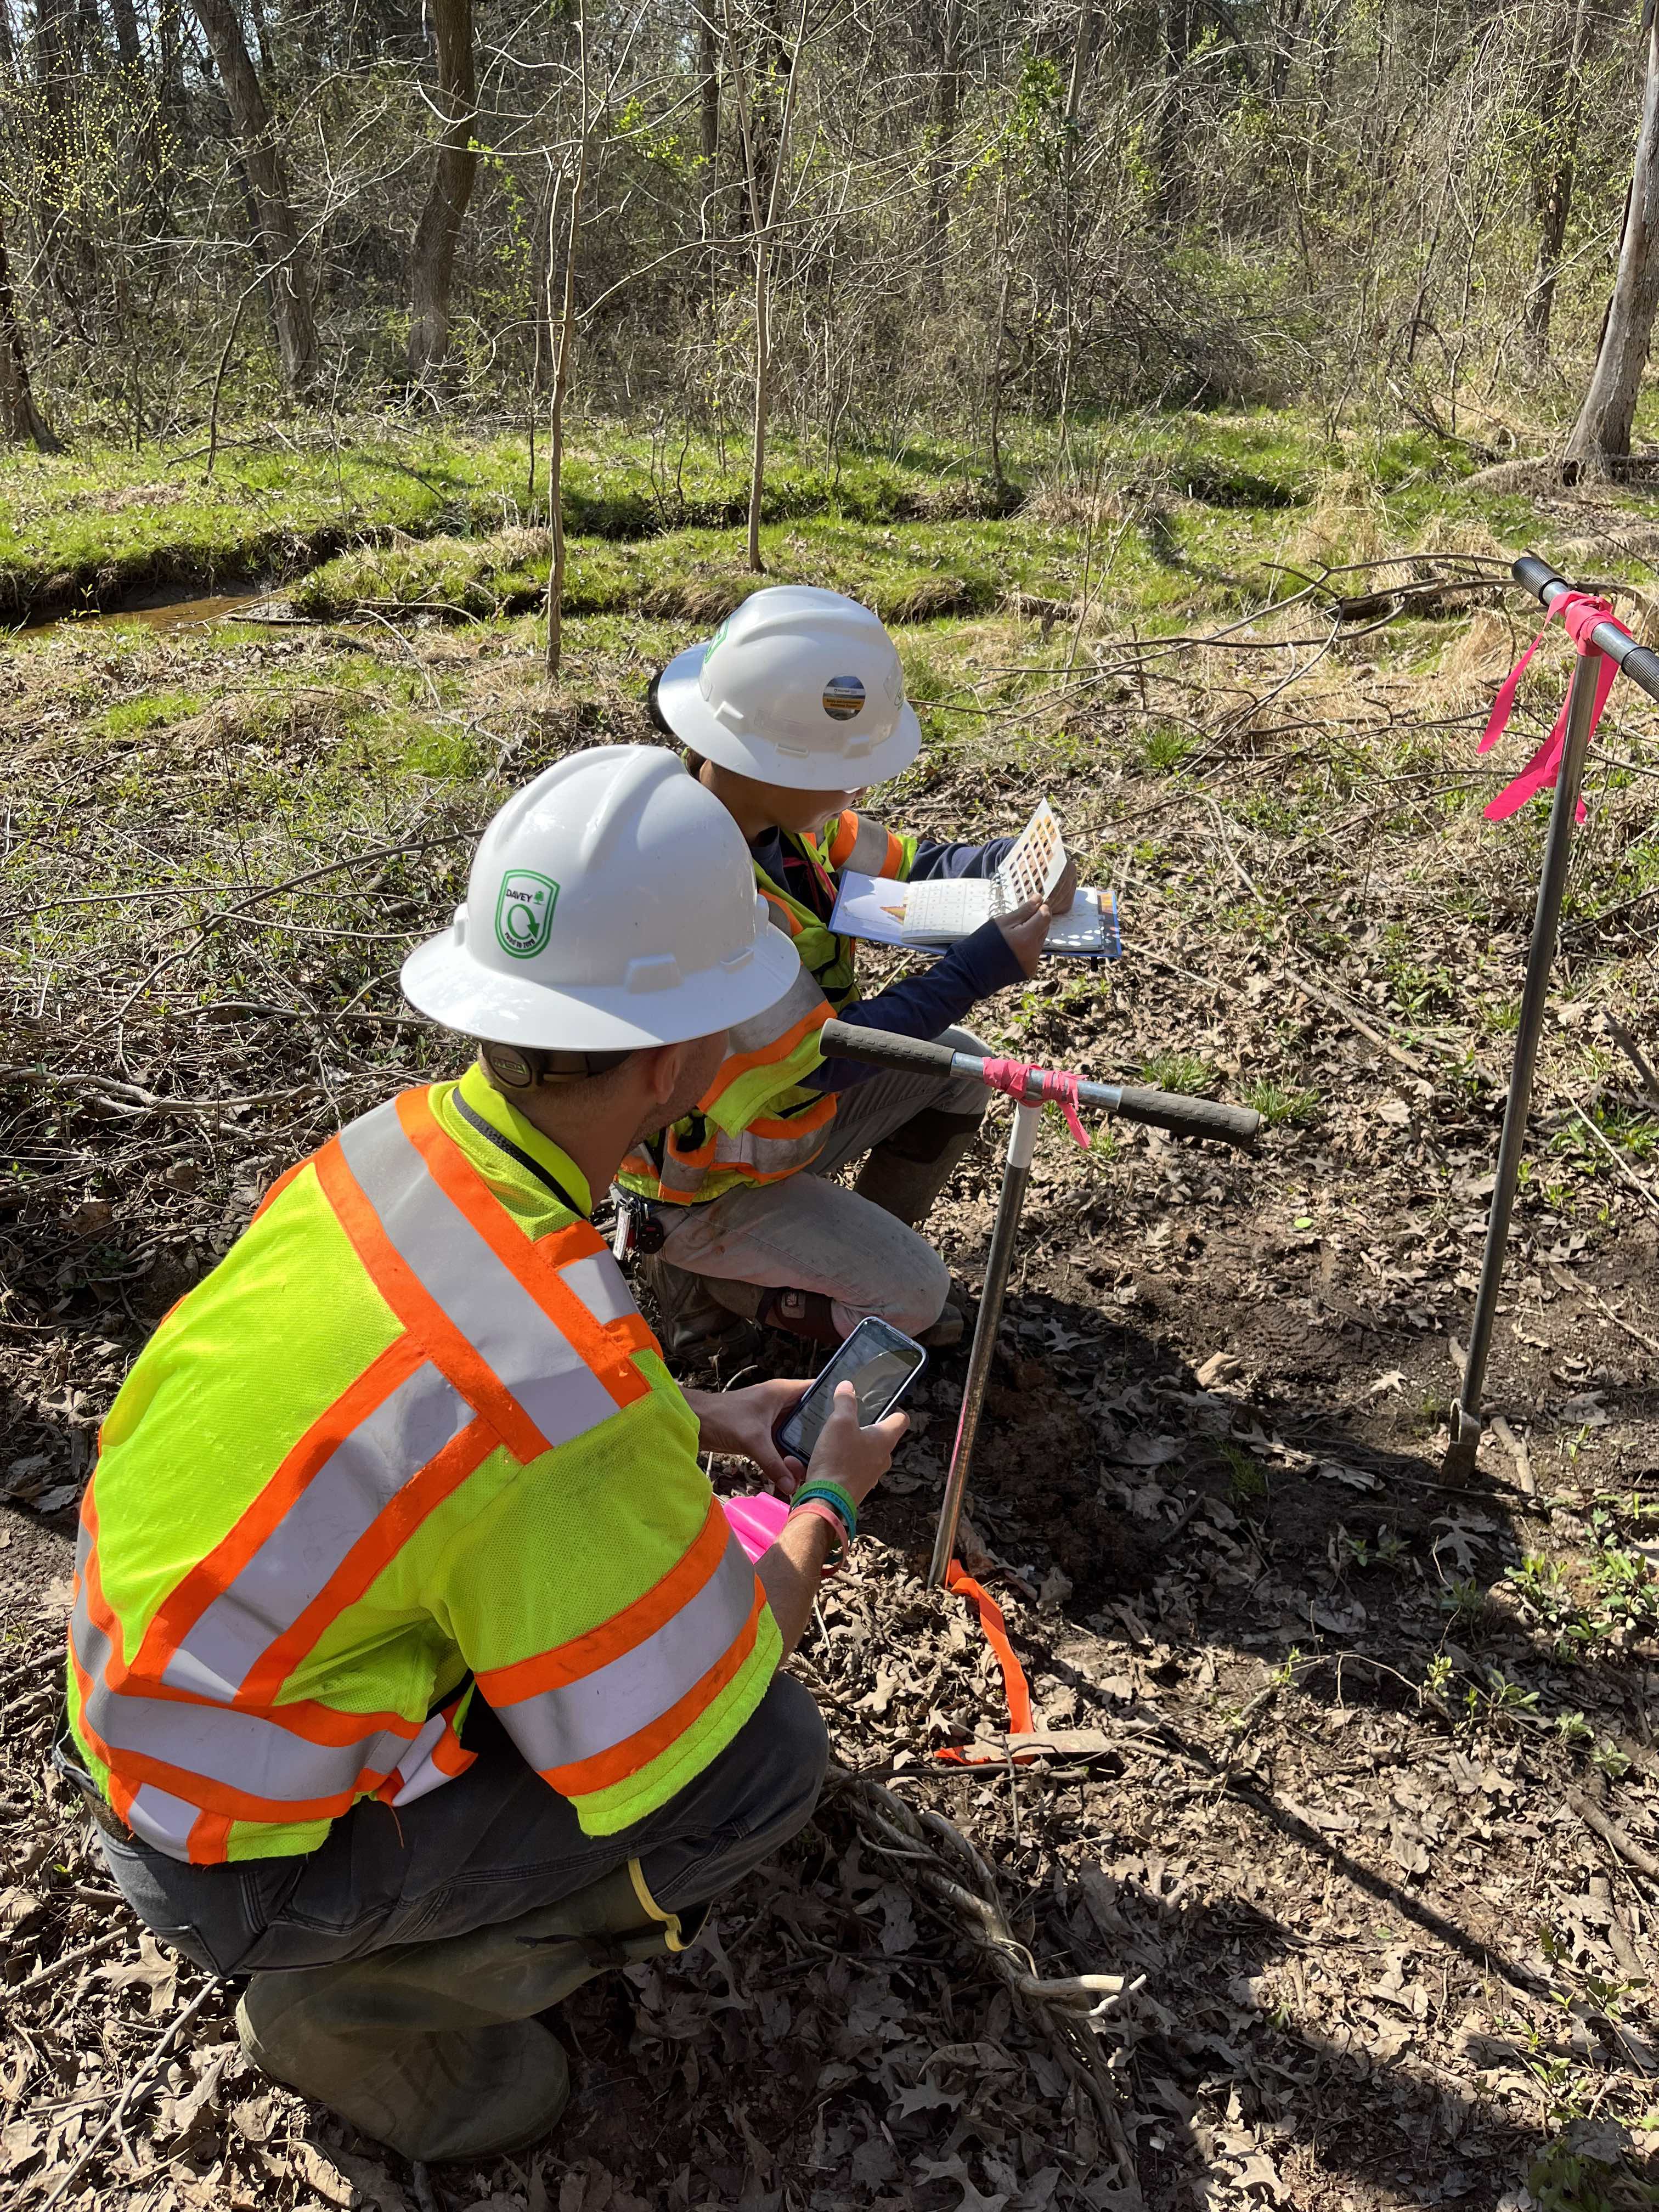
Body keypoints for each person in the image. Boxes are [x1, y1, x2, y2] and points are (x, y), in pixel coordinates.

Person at [58, 746, 908, 2164]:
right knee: (763, 1760)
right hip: (223, 1852)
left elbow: (423, 1391)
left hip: (137, 1695)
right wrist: (828, 1496)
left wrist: (692, 1418)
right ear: (675, 1062)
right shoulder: (568, 1394)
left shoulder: (391, 1146)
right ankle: (349, 2011)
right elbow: (723, 1657)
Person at [626, 583, 1075, 1353]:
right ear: (768, 761)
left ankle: (823, 1261)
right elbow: (820, 1062)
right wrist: (977, 969)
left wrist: (1008, 864)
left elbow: (910, 864)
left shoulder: (782, 819)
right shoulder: (706, 891)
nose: (857, 787)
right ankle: (724, 1287)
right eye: (844, 767)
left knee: (961, 1067)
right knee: (918, 1301)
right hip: (704, 1184)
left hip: (777, 1134)